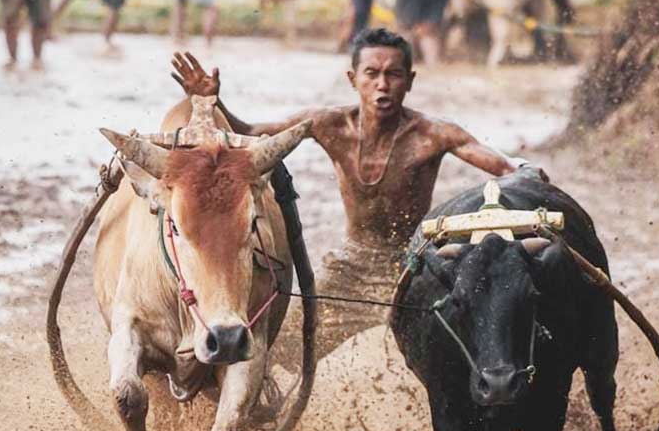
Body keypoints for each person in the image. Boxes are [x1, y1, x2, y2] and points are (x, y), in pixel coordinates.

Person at [166, 28, 547, 361]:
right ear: (354, 79)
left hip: (413, 265)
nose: (382, 85)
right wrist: (211, 101)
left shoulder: (434, 134)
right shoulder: (329, 124)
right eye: (372, 74)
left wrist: (527, 172)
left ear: (409, 80)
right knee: (286, 350)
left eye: (394, 74)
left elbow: (503, 167)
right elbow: (253, 133)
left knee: (452, 347)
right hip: (349, 265)